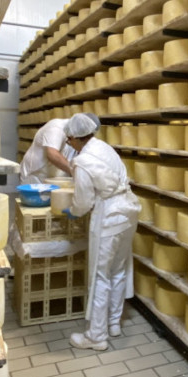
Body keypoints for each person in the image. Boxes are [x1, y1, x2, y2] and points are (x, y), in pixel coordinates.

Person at [62, 113, 140, 350]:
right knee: (118, 269)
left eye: (68, 140)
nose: (67, 144)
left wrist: (72, 210)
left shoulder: (82, 161)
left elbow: (84, 200)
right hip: (129, 210)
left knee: (99, 276)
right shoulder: (105, 148)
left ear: (76, 138)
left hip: (109, 216)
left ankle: (96, 337)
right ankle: (113, 323)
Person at [19, 114, 102, 184]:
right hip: (36, 176)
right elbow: (52, 154)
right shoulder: (56, 127)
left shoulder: (78, 135)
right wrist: (75, 172)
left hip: (55, 178)